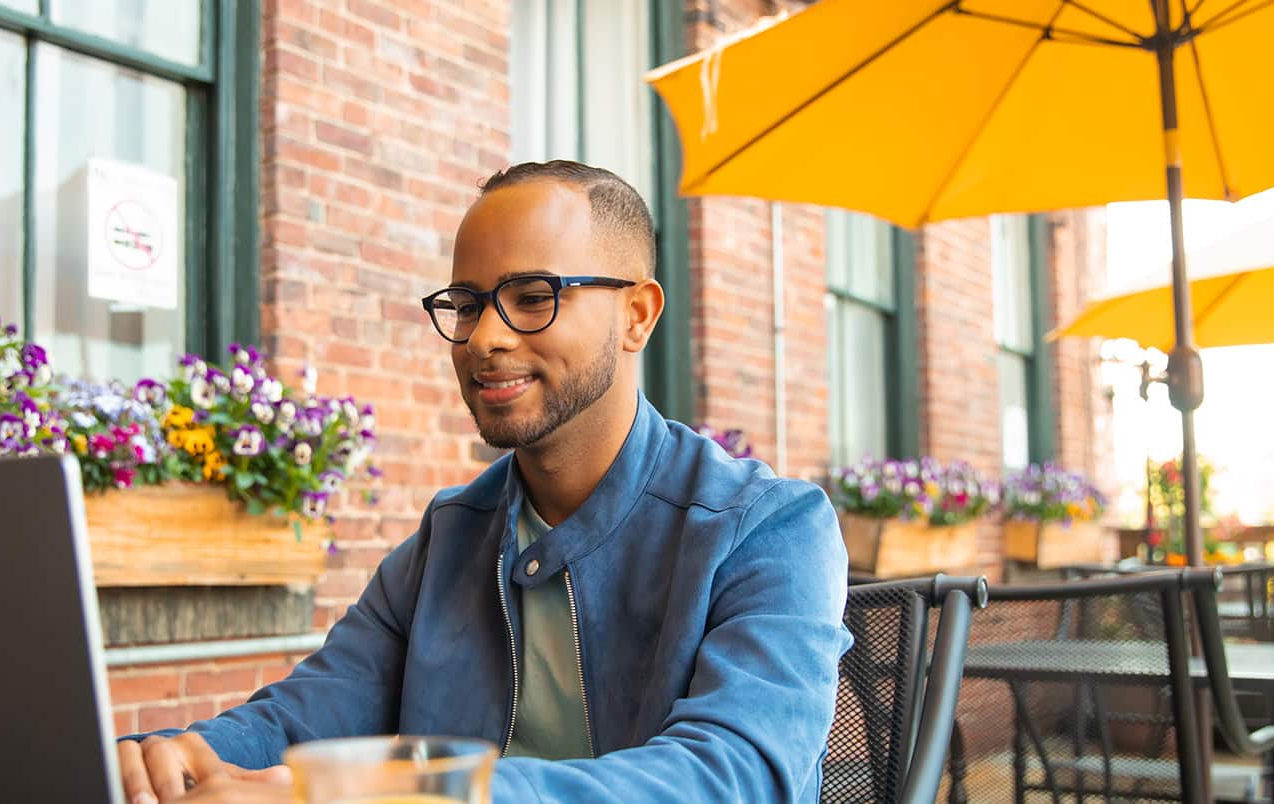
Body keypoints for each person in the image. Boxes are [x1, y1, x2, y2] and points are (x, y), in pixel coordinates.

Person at [116, 161, 851, 803]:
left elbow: (734, 778)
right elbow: (306, 715)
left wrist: (397, 792)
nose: (486, 337)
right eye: (466, 304)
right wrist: (178, 757)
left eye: (533, 296)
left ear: (637, 314)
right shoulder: (450, 536)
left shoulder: (769, 527)